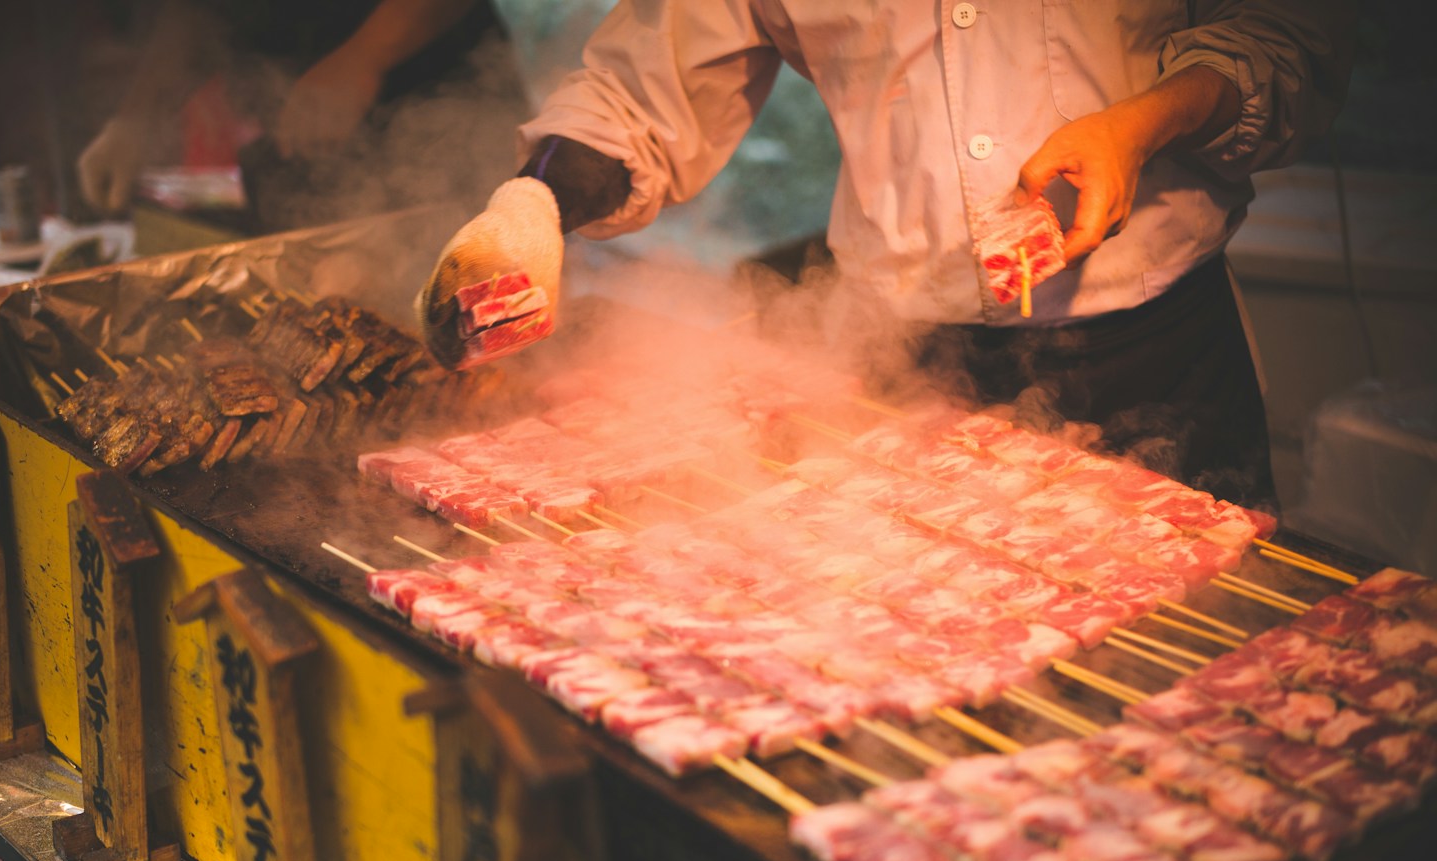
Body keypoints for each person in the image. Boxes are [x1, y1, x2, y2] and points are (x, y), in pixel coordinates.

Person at [418, 2, 1357, 510]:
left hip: (1155, 351)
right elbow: (640, 90)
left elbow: (1284, 37)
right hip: (906, 366)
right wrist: (535, 199)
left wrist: (1143, 122)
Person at [78, 0, 525, 231]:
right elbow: (198, 10)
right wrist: (135, 119)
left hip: (439, 110)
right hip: (302, 139)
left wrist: (364, 56)